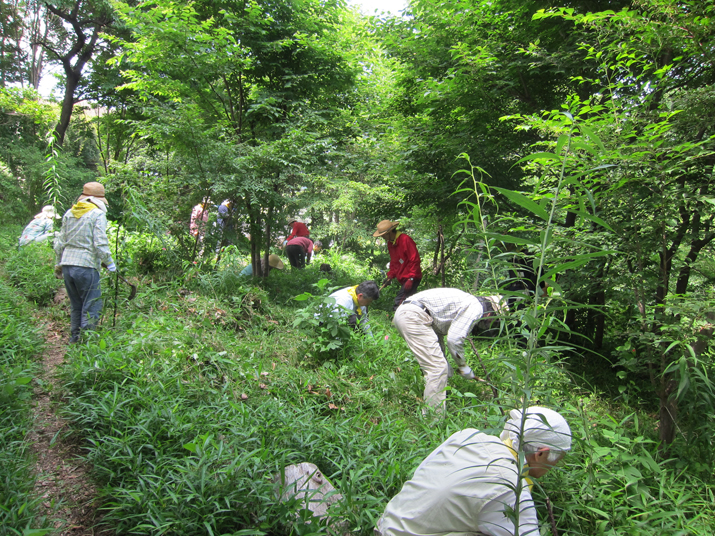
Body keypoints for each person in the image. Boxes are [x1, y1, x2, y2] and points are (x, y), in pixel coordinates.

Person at [375, 406, 572, 536]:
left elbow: (423, 471)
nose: (555, 467)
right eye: (558, 459)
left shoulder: (468, 436)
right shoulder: (511, 487)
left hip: (387, 525)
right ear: (541, 454)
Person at [393, 288, 507, 413]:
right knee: (437, 368)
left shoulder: (467, 301)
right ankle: (432, 421)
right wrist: (464, 368)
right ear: (491, 313)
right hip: (414, 316)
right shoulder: (476, 308)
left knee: (444, 368)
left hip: (412, 314)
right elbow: (454, 340)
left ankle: (441, 402)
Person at [54, 182, 116, 343]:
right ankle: (87, 344)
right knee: (91, 306)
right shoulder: (97, 215)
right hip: (86, 266)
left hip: (68, 264)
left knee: (76, 306)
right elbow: (100, 242)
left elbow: (59, 242)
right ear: (98, 200)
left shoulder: (70, 213)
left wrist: (58, 264)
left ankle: (74, 339)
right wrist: (109, 262)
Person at [373, 220, 422, 311]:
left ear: (389, 232)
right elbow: (395, 262)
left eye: (383, 235)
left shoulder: (405, 240)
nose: (382, 237)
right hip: (404, 278)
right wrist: (390, 276)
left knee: (400, 301)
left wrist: (411, 278)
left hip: (412, 277)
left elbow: (415, 260)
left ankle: (395, 322)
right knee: (409, 300)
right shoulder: (390, 244)